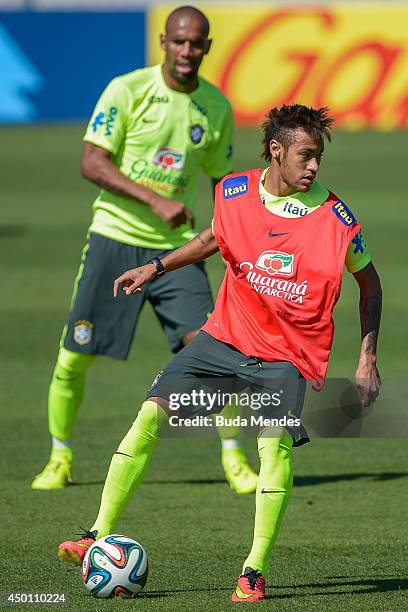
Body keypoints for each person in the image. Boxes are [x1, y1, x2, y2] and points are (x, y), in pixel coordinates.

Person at [57, 105, 382, 603]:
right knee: (149, 416)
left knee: (271, 448)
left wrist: (366, 357)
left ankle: (253, 569)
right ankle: (96, 533)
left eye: (318, 157)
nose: (315, 167)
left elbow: (370, 283)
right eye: (306, 155)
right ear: (276, 151)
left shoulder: (337, 220)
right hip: (223, 338)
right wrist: (156, 267)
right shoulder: (233, 191)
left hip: (285, 356)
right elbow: (214, 237)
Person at [31, 5, 258, 494]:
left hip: (176, 253)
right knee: (74, 356)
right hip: (114, 238)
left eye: (196, 43)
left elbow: (223, 183)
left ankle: (234, 457)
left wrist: (237, 236)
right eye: (178, 41)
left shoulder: (215, 108)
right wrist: (156, 199)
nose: (186, 51)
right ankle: (60, 456)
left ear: (207, 48)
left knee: (215, 353)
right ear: (163, 41)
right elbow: (92, 162)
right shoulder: (127, 89)